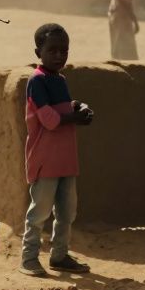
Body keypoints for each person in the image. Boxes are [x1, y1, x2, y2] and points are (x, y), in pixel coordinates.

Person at [20, 23, 94, 276]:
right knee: (39, 212)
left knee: (67, 212)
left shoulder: (59, 80)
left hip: (65, 159)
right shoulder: (36, 81)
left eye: (64, 51)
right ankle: (29, 258)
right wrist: (75, 119)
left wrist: (78, 106)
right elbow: (49, 119)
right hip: (45, 159)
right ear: (38, 51)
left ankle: (59, 256)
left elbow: (62, 107)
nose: (59, 55)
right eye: (52, 50)